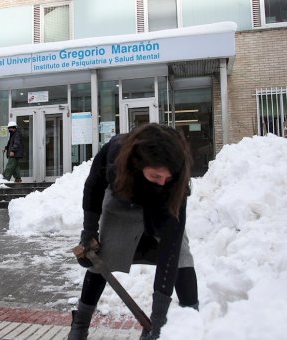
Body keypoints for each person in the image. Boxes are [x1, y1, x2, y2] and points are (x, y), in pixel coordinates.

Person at [68, 123, 198, 340]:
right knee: (104, 257)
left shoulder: (175, 179)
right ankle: (80, 324)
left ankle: (193, 325)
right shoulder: (116, 153)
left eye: (167, 177)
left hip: (162, 205)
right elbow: (93, 188)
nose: (162, 181)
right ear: (139, 164)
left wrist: (158, 324)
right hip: (123, 199)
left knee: (181, 257)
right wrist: (89, 232)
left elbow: (170, 248)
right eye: (156, 176)